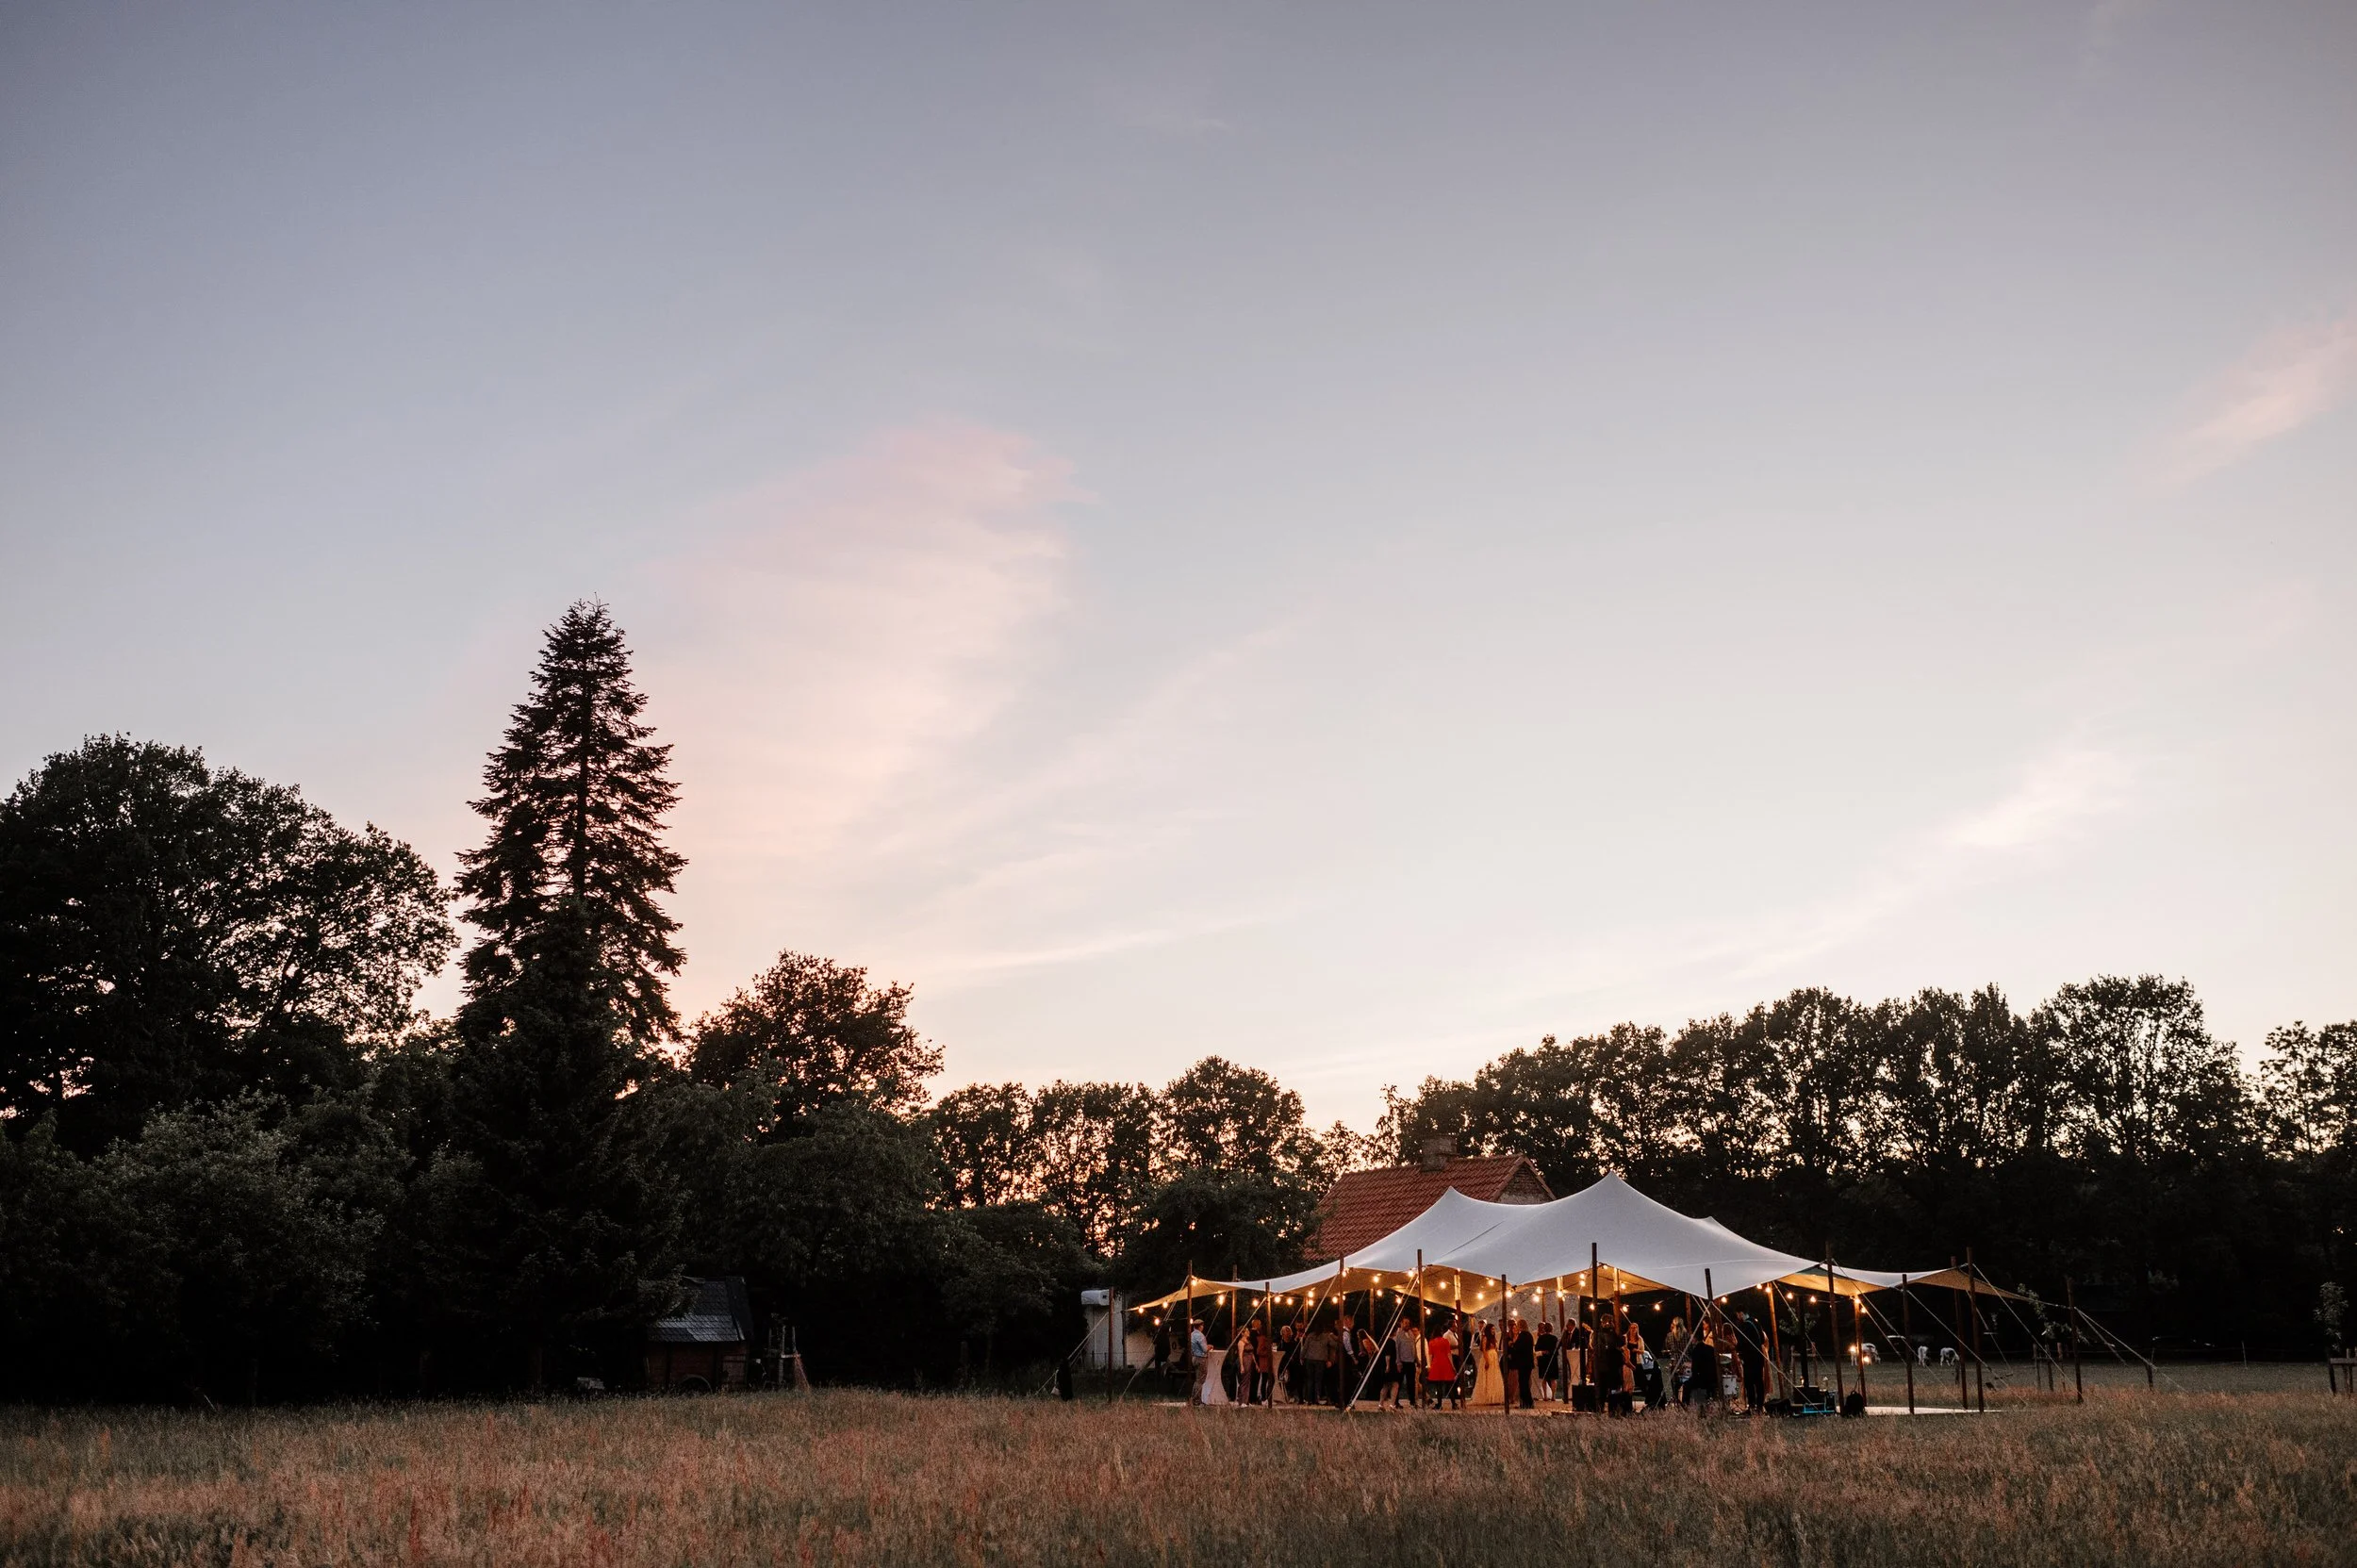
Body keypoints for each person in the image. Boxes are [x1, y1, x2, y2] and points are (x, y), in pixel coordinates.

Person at [1425, 1317, 1459, 1410]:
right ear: (1441, 1332)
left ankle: (1439, 1405)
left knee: (1438, 1386)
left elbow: (1430, 1355)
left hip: (1436, 1364)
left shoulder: (1431, 1342)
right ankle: (1454, 1404)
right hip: (1446, 1363)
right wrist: (1452, 1366)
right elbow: (1449, 1354)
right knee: (1449, 1385)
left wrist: (1430, 1366)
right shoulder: (1445, 1341)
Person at [1736, 1312, 1768, 1411]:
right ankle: (1760, 1405)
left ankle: (1752, 1405)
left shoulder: (1746, 1325)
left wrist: (1738, 1349)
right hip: (1759, 1356)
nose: (1738, 1318)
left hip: (1750, 1358)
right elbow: (1762, 1339)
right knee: (1759, 1381)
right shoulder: (1756, 1323)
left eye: (1738, 1315)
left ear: (1741, 1313)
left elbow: (1742, 1342)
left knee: (1749, 1383)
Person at [1689, 1323, 1722, 1416]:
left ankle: (1691, 1409)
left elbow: (1695, 1368)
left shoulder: (1696, 1351)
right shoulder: (1711, 1348)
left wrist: (1693, 1377)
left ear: (1695, 1339)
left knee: (1687, 1386)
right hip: (1712, 1377)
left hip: (1702, 1379)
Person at [1505, 1316, 1536, 1409]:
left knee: (1523, 1384)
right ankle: (1526, 1403)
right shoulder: (1529, 1335)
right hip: (1527, 1363)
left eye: (1518, 1325)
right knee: (1524, 1383)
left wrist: (1511, 1345)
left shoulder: (1523, 1335)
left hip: (1523, 1363)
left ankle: (1527, 1403)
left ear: (1521, 1326)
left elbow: (1518, 1348)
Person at [1390, 1315, 1419, 1409]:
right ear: (1401, 1323)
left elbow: (1414, 1347)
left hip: (1411, 1361)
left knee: (1411, 1383)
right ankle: (1396, 1402)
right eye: (1405, 1323)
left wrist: (1416, 1359)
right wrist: (1398, 1363)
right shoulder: (1398, 1335)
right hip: (1402, 1362)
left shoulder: (1411, 1333)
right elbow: (1397, 1349)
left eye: (1408, 1323)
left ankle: (1412, 1401)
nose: (1407, 1325)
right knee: (1399, 1382)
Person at [1534, 1319, 1560, 1403]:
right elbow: (1556, 1350)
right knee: (1553, 1379)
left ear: (1544, 1329)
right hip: (1552, 1360)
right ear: (1551, 1329)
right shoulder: (1554, 1338)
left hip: (1543, 1360)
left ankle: (1545, 1396)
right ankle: (1553, 1396)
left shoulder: (1541, 1338)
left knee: (1544, 1379)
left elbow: (1537, 1348)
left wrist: (1543, 1352)